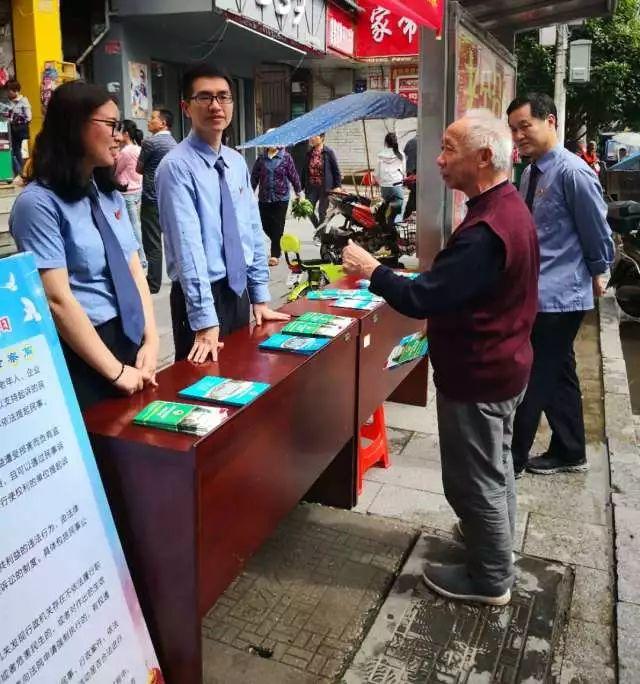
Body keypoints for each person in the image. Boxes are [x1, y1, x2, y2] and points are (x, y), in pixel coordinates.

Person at [341, 109, 539, 606]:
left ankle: (490, 579)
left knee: (475, 480)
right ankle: (495, 552)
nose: (438, 158)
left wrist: (373, 270)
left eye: (450, 148)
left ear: (485, 156)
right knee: (493, 470)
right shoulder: (504, 206)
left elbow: (423, 297)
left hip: (480, 375)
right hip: (502, 365)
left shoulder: (486, 229)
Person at [9, 80, 159, 409]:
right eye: (110, 125)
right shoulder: (38, 205)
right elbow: (57, 299)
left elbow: (135, 271)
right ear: (74, 127)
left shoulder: (108, 195)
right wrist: (115, 372)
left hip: (132, 338)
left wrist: (152, 338)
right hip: (88, 352)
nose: (119, 136)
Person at [507, 93, 614, 476]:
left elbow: (597, 231)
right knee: (558, 372)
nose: (518, 136)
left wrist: (600, 272)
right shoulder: (532, 172)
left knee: (533, 376)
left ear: (550, 121)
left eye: (525, 126)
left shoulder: (573, 172)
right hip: (538, 289)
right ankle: (571, 450)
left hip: (560, 296)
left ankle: (512, 460)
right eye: (513, 130)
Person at [156, 64, 289, 364]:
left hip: (238, 290)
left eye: (223, 97)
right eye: (204, 97)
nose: (215, 106)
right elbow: (187, 247)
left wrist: (259, 294)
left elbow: (251, 230)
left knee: (242, 376)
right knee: (203, 392)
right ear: (186, 107)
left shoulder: (235, 162)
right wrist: (204, 320)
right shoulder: (176, 167)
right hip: (201, 295)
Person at [137, 108, 177, 293]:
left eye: (152, 118)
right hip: (170, 196)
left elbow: (139, 168)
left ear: (163, 123)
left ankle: (153, 283)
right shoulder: (174, 143)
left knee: (152, 242)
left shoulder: (150, 143)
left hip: (151, 197)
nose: (149, 120)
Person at [250, 141, 302, 266]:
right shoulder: (261, 159)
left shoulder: (286, 157)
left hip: (281, 198)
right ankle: (278, 241)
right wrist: (249, 192)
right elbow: (254, 177)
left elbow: (293, 175)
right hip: (264, 198)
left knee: (278, 226)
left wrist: (298, 191)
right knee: (264, 224)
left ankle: (275, 254)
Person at [114, 119, 146, 268]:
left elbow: (117, 170)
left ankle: (141, 258)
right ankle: (141, 257)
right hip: (137, 189)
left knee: (133, 226)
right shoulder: (138, 148)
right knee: (136, 224)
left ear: (126, 134)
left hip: (126, 191)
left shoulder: (126, 152)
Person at [301, 133, 341, 228]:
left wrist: (338, 186)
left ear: (322, 138)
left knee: (322, 212)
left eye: (315, 136)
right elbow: (304, 171)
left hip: (325, 187)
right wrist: (300, 187)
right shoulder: (309, 153)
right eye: (311, 136)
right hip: (311, 187)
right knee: (308, 210)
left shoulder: (328, 152)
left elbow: (336, 170)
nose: (312, 138)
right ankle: (318, 230)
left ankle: (320, 236)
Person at [374, 132, 405, 230]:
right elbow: (404, 172)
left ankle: (386, 230)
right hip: (397, 187)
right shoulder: (400, 154)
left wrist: (381, 183)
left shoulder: (380, 155)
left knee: (385, 211)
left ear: (386, 143)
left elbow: (376, 175)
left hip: (385, 188)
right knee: (395, 213)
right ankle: (391, 233)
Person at [4, 79, 32, 178]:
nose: (7, 92)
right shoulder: (7, 102)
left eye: (9, 90)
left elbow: (29, 117)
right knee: (10, 151)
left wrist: (15, 117)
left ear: (15, 90)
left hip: (18, 130)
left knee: (16, 150)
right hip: (8, 129)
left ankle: (20, 173)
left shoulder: (23, 101)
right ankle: (17, 173)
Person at [403, 134, 417, 219]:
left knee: (414, 193)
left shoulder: (410, 142)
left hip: (410, 172)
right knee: (415, 194)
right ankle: (408, 214)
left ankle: (407, 214)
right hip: (416, 172)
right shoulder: (424, 143)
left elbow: (405, 155)